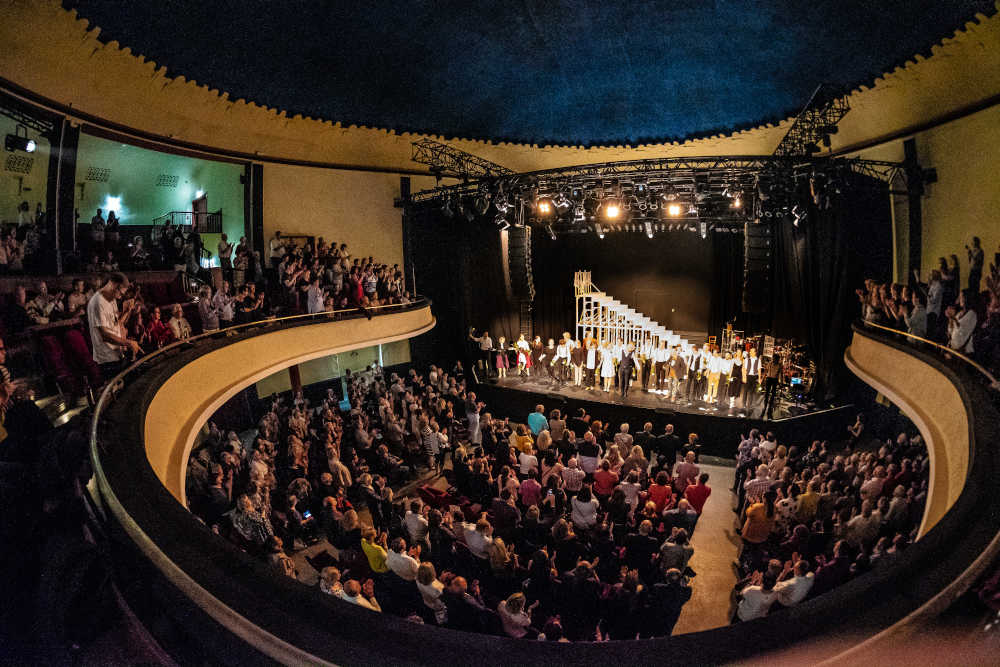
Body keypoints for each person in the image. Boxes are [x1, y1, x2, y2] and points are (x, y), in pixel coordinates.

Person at [87, 272, 142, 380]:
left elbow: (117, 324)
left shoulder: (111, 299)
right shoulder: (98, 302)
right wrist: (129, 343)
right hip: (107, 360)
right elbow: (105, 335)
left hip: (118, 354)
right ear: (114, 286)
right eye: (121, 293)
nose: (120, 297)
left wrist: (127, 311)